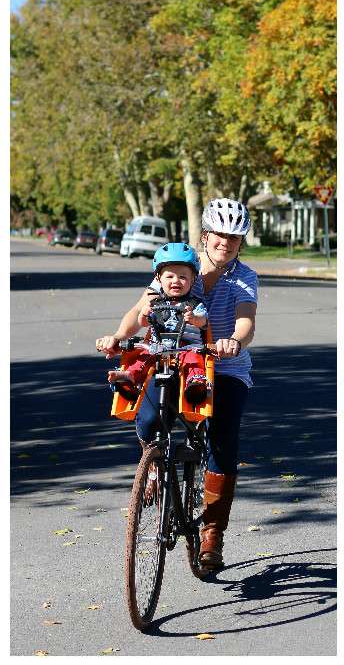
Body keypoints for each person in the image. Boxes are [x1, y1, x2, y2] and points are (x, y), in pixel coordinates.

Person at [96, 198, 257, 571]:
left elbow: (246, 320)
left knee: (222, 439)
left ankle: (212, 535)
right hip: (171, 356)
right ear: (205, 236)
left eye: (235, 238)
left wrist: (234, 340)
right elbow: (141, 312)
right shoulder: (178, 263)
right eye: (220, 235)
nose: (226, 244)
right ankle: (153, 462)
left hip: (223, 363)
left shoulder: (244, 277)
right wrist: (120, 336)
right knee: (148, 412)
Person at [107, 243, 210, 405]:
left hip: (185, 347)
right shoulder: (155, 303)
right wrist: (144, 314)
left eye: (183, 277)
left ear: (193, 279)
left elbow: (204, 321)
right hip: (158, 348)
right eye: (170, 276)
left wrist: (195, 318)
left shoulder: (195, 304)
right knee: (142, 357)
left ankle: (195, 384)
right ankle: (130, 378)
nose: (176, 281)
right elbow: (142, 323)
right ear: (158, 278)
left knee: (193, 359)